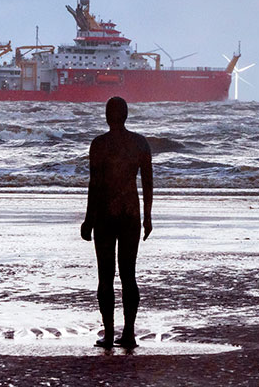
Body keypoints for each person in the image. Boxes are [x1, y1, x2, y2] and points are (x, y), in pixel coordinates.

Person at [80, 96, 153, 349]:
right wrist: (148, 216)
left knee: (106, 276)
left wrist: (88, 220)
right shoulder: (140, 143)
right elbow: (148, 183)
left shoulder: (99, 144)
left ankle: (110, 334)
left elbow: (95, 184)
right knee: (129, 275)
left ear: (106, 116)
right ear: (126, 115)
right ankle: (129, 333)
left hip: (104, 214)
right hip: (131, 213)